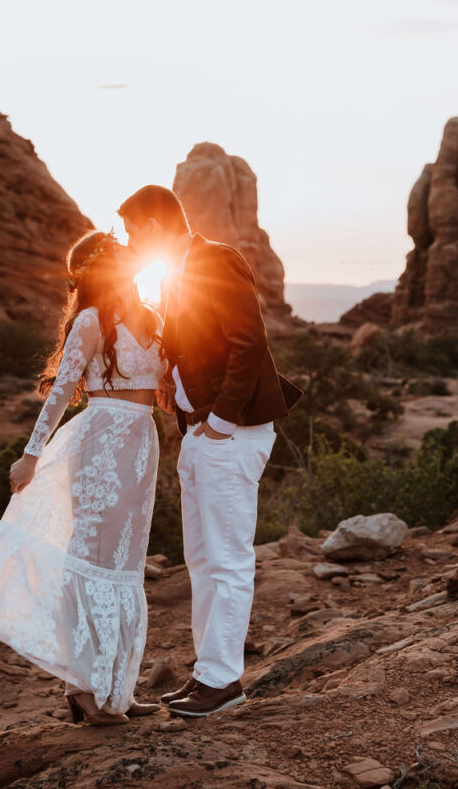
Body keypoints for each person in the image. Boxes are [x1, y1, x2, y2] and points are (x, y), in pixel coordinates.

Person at [118, 185, 303, 718]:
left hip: (232, 430)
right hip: (201, 432)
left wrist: (219, 421)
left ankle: (223, 683)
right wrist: (185, 409)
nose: (132, 241)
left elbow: (249, 342)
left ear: (154, 224)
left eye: (133, 231)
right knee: (201, 559)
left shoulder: (215, 260)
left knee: (226, 559)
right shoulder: (177, 272)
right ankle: (207, 673)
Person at [0, 229, 167, 725]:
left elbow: (165, 387)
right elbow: (60, 392)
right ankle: (83, 688)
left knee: (126, 563)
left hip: (143, 440)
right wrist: (31, 455)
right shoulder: (90, 320)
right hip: (101, 442)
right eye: (122, 259)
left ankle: (116, 689)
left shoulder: (151, 317)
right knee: (94, 558)